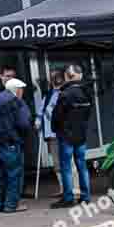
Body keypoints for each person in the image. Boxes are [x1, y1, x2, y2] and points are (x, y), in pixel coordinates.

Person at [0, 78, 31, 213]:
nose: (22, 92)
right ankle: (11, 205)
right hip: (10, 143)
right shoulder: (17, 102)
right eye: (21, 89)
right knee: (13, 175)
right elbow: (24, 123)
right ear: (16, 90)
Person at [49, 65, 92, 208]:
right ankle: (85, 197)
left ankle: (68, 198)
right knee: (82, 165)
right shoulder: (86, 92)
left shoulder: (65, 94)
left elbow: (57, 116)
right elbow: (87, 114)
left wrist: (56, 129)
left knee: (66, 167)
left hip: (66, 136)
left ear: (68, 76)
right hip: (81, 135)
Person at [37, 69, 79, 198]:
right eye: (53, 78)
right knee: (57, 164)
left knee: (69, 162)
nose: (55, 80)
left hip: (64, 133)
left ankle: (76, 189)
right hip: (52, 135)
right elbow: (41, 111)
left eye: (57, 77)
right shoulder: (48, 95)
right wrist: (38, 120)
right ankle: (64, 189)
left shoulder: (67, 93)